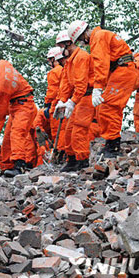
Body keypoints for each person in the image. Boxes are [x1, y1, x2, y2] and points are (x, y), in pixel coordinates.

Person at [67, 20, 139, 158]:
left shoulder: (98, 37)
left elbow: (101, 64)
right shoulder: (101, 35)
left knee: (108, 106)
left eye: (80, 40)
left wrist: (98, 87)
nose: (82, 44)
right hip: (122, 71)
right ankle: (111, 142)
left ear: (83, 34)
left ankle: (113, 145)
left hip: (123, 71)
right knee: (107, 107)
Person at [54, 25, 96, 171]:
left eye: (61, 46)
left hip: (86, 97)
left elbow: (81, 84)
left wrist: (72, 101)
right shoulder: (70, 61)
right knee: (69, 129)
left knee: (79, 129)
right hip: (78, 98)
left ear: (68, 43)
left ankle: (82, 160)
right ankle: (71, 159)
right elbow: (66, 84)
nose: (60, 50)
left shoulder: (82, 57)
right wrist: (62, 100)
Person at [45, 42, 68, 162]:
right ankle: (63, 152)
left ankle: (60, 153)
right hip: (65, 101)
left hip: (56, 103)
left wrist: (47, 104)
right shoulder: (65, 69)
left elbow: (52, 90)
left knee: (57, 131)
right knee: (65, 130)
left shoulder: (55, 71)